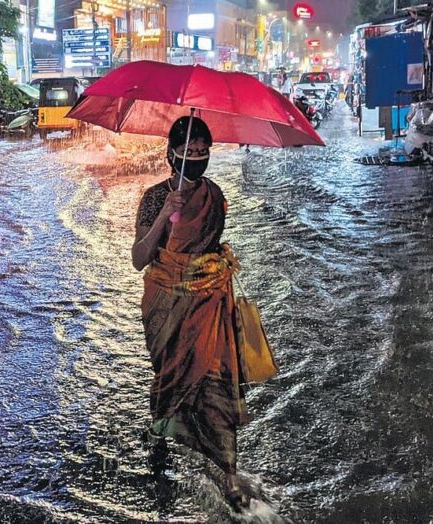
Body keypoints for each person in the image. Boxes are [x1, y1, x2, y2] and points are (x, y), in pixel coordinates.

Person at [132, 116, 249, 507]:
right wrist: (166, 213)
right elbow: (139, 258)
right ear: (171, 154)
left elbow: (209, 248)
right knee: (169, 379)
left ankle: (229, 471)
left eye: (203, 152)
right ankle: (161, 444)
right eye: (190, 151)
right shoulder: (153, 198)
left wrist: (210, 275)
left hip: (208, 305)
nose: (197, 158)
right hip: (166, 307)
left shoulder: (214, 196)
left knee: (217, 384)